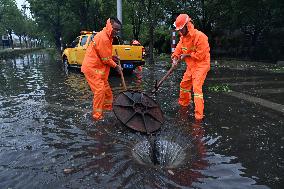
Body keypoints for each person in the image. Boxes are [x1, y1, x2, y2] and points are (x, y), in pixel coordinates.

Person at [81, 17, 122, 121]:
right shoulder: (103, 38)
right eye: (115, 29)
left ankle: (107, 111)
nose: (117, 32)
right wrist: (116, 66)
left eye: (118, 30)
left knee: (108, 93)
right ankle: (97, 117)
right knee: (100, 90)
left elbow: (103, 55)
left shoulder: (108, 37)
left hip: (99, 69)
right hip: (92, 68)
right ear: (109, 25)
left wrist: (112, 57)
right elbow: (105, 60)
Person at [171, 14, 210, 120]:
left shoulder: (200, 36)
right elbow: (178, 49)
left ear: (187, 25)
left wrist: (187, 55)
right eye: (179, 29)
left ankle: (199, 117)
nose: (180, 31)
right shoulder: (183, 37)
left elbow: (200, 56)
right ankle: (184, 105)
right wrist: (175, 58)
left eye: (181, 29)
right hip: (191, 65)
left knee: (197, 89)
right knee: (184, 85)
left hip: (201, 65)